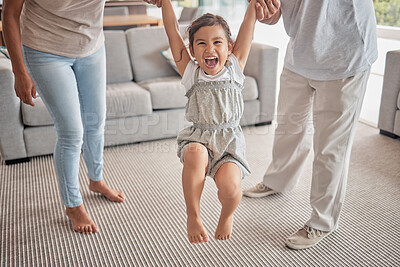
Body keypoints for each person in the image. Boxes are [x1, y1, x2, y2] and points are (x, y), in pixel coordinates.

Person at [243, 0, 378, 249]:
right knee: (288, 127)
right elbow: (274, 14)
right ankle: (277, 180)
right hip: (301, 51)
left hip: (344, 53)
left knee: (330, 148)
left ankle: (323, 220)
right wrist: (267, 10)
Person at [2, 0, 124, 234]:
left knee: (95, 121)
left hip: (92, 46)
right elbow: (10, 12)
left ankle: (96, 180)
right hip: (44, 50)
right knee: (71, 132)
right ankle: (73, 205)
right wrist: (19, 71)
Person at [146, 0, 261, 243]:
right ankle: (193, 216)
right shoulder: (190, 72)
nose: (210, 49)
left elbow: (249, 25)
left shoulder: (235, 67)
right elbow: (172, 31)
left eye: (217, 42)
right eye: (202, 43)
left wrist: (253, 4)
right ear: (192, 50)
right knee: (196, 154)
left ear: (229, 47)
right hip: (198, 135)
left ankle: (226, 215)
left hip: (229, 142)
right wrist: (165, 2)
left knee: (231, 190)